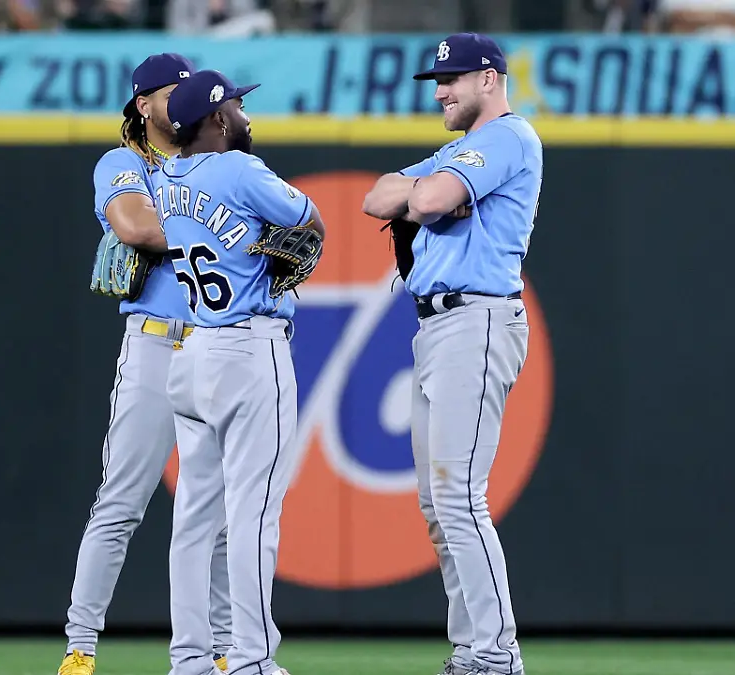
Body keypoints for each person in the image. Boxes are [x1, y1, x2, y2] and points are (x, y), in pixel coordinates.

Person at [361, 33, 543, 675]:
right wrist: (433, 188)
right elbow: (375, 197)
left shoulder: (507, 137)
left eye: (454, 78)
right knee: (439, 505)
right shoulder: (460, 150)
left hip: (478, 320)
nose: (441, 89)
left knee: (460, 496)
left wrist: (432, 190)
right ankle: (473, 648)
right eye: (438, 78)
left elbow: (426, 199)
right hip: (436, 327)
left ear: (489, 79)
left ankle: (498, 653)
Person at [62, 54, 232, 675]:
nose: (184, 99)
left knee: (214, 511)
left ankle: (220, 651)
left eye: (191, 89)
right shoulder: (126, 162)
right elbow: (134, 225)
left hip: (219, 343)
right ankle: (80, 649)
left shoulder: (215, 161)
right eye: (171, 92)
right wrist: (219, 226)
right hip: (157, 343)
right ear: (143, 105)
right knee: (122, 501)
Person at [151, 69, 325, 675]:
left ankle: (190, 660)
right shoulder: (244, 170)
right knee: (254, 513)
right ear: (219, 119)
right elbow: (313, 221)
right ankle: (250, 660)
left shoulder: (165, 178)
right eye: (239, 107)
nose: (246, 114)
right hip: (248, 350)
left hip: (192, 351)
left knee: (194, 520)